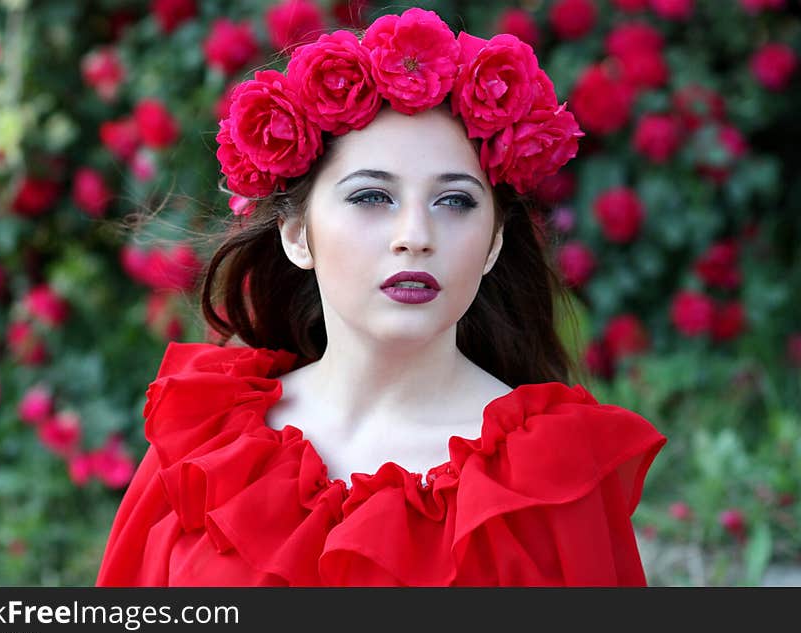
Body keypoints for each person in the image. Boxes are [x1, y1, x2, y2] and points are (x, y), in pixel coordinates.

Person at [96, 8, 667, 587]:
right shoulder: (205, 447)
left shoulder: (553, 470)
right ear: (297, 234)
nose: (415, 236)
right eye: (371, 197)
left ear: (494, 242)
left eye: (455, 202)